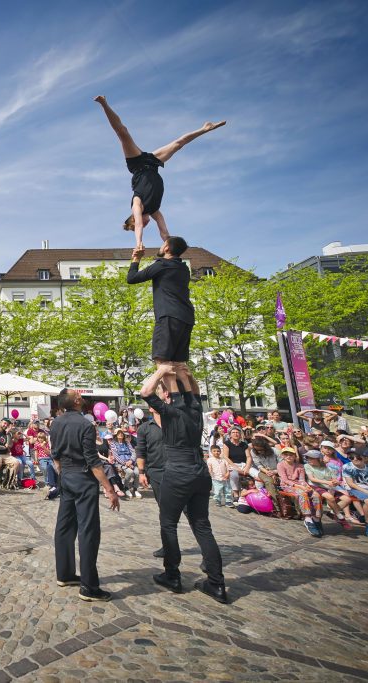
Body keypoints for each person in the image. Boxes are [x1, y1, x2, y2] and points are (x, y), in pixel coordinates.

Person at [141, 364, 227, 604]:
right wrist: (184, 373)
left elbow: (145, 392)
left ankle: (172, 575)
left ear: (168, 395)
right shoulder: (195, 408)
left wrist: (161, 372)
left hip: (178, 470)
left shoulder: (170, 411)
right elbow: (195, 390)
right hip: (199, 470)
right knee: (202, 526)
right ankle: (216, 582)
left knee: (168, 523)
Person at [93, 94, 226, 250]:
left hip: (137, 164)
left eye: (140, 222)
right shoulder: (155, 210)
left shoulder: (137, 204)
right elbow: (164, 232)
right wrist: (169, 246)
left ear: (135, 220)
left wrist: (138, 244)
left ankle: (104, 103)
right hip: (153, 163)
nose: (146, 224)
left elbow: (139, 226)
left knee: (123, 133)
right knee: (178, 144)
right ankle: (206, 129)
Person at [51, 388, 119, 602]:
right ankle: (89, 587)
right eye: (78, 394)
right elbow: (93, 460)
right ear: (77, 400)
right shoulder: (85, 425)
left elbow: (55, 456)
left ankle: (65, 573)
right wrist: (109, 488)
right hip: (82, 478)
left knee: (64, 526)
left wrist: (63, 475)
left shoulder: (56, 423)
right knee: (88, 531)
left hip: (66, 476)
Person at [127, 237, 195, 394]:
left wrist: (136, 259)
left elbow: (131, 278)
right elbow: (174, 243)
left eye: (163, 243)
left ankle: (176, 404)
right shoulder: (184, 269)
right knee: (179, 365)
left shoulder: (162, 265)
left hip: (168, 317)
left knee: (162, 363)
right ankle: (189, 401)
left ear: (166, 249)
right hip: (186, 318)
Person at [135, 402, 167, 559]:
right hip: (157, 473)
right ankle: (167, 546)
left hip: (179, 472)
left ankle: (207, 556)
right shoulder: (145, 428)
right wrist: (141, 472)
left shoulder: (175, 424)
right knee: (165, 512)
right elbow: (140, 451)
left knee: (191, 514)